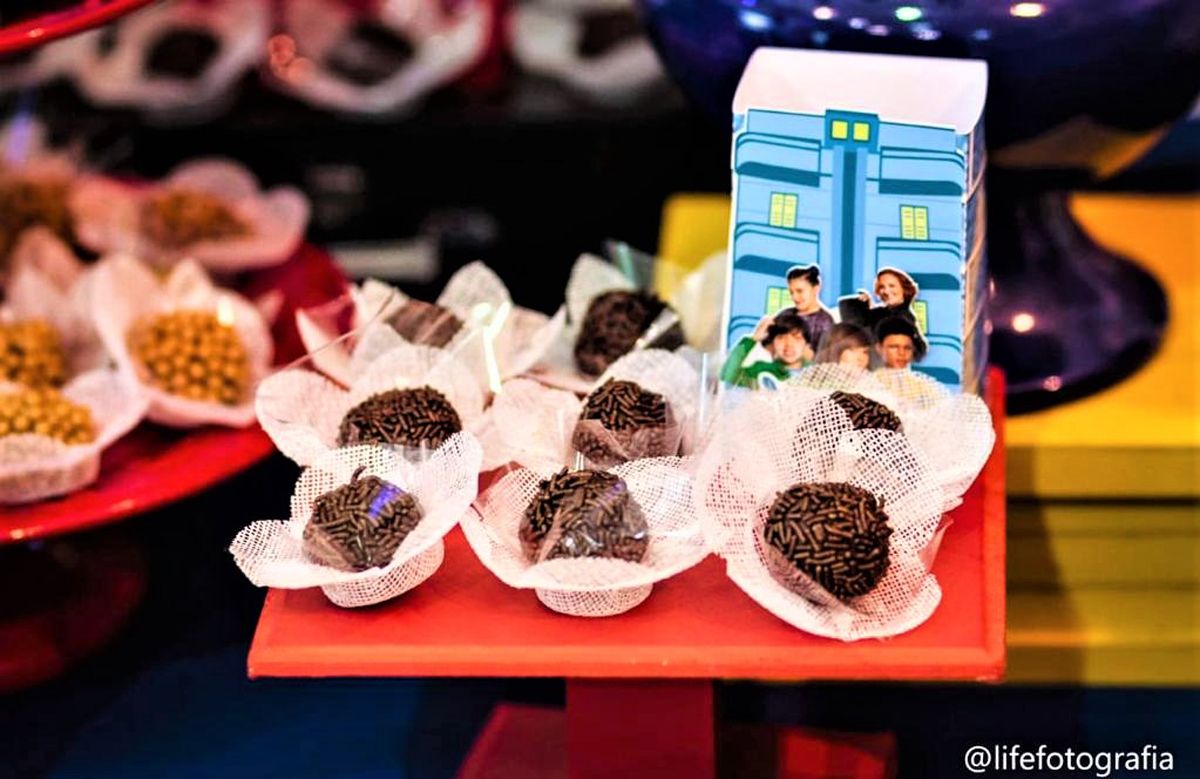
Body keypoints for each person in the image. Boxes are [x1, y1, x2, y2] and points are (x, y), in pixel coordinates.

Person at [838, 267, 927, 360]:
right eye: (882, 287)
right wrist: (864, 304)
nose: (886, 291)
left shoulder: (903, 318)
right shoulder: (884, 312)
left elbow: (919, 352)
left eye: (892, 286)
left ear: (904, 288)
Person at [719, 310, 812, 388]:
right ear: (773, 344)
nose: (789, 344)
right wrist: (754, 338)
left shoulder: (815, 373)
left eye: (797, 338)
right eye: (781, 338)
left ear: (807, 344)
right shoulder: (761, 371)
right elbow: (729, 376)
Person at [782, 265, 835, 353]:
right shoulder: (785, 315)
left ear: (816, 289)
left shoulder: (825, 321)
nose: (794, 297)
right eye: (791, 292)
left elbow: (827, 356)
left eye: (799, 291)